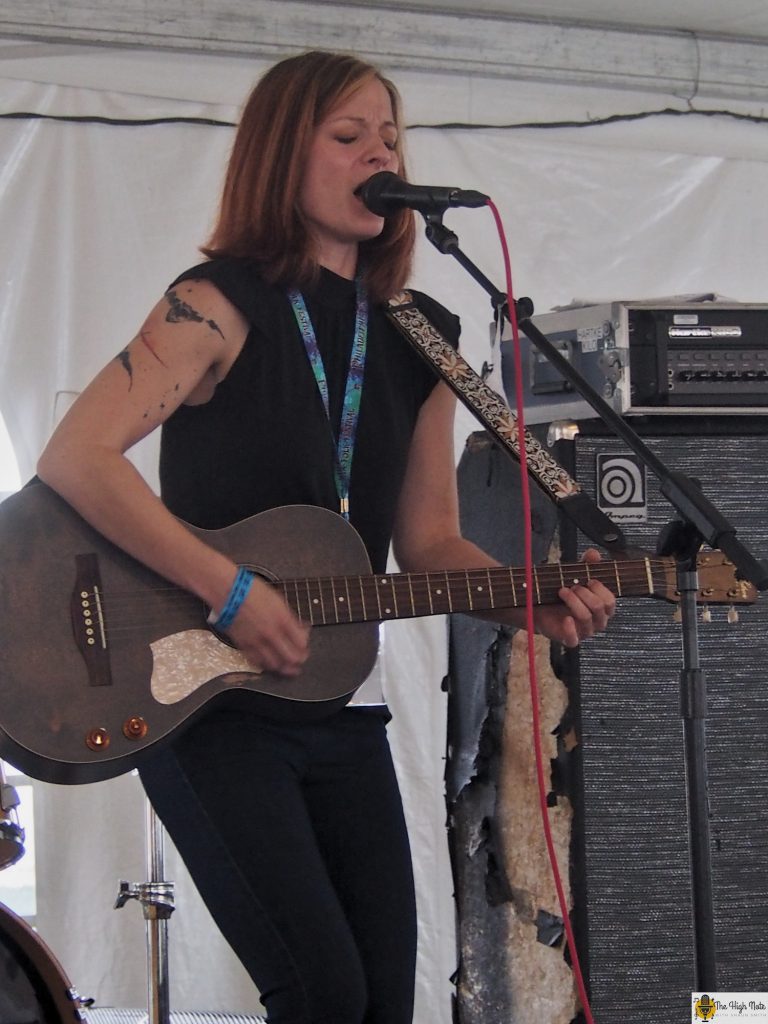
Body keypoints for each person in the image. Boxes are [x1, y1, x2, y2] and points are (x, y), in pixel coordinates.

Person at [37, 50, 616, 1024]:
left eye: (389, 137)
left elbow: (429, 544)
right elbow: (77, 456)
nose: (378, 154)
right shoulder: (216, 303)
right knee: (321, 993)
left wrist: (525, 595)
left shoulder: (424, 332)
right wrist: (229, 591)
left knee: (385, 1002)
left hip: (341, 714)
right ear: (280, 158)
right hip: (203, 705)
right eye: (348, 137)